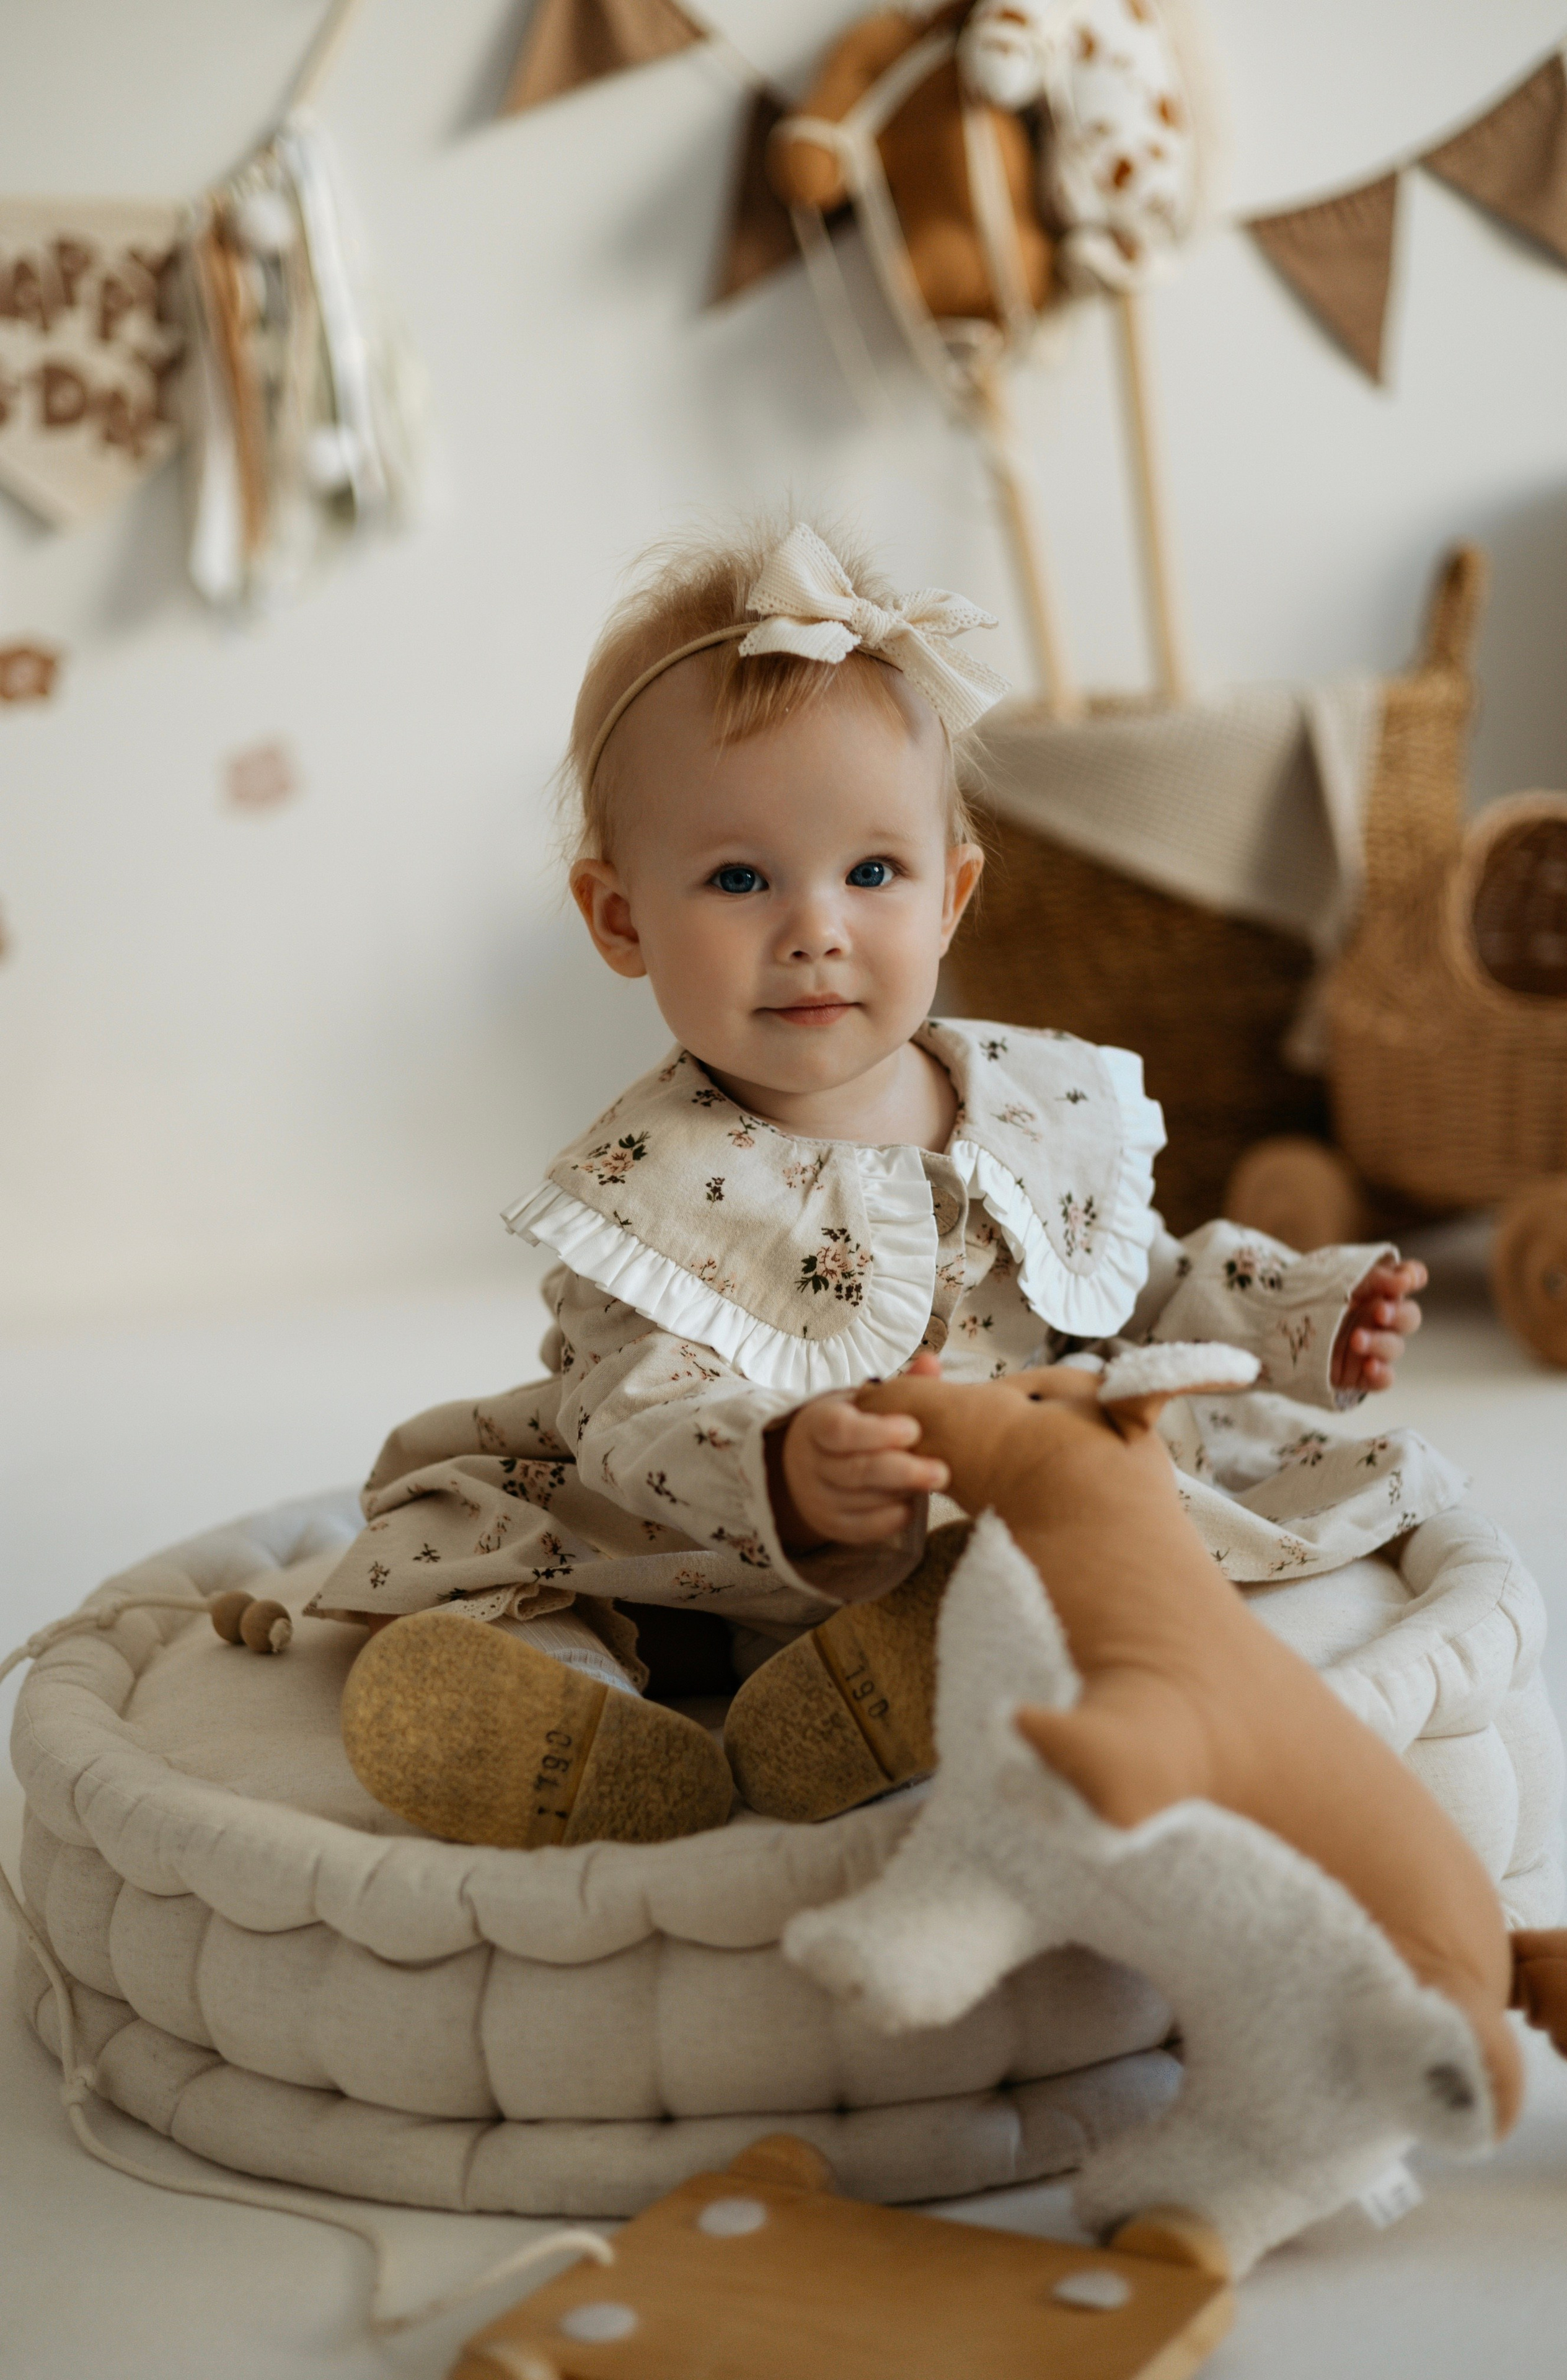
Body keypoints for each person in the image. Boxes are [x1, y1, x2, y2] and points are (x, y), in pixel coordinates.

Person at [317, 519, 1442, 1850]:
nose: (815, 929)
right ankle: (581, 1713)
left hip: (979, 1515)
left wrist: (1303, 1314)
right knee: (489, 1544)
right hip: (712, 1548)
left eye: (871, 873)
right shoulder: (647, 1184)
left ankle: (872, 1686)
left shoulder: (1030, 1101)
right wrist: (785, 1470)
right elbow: (627, 1412)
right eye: (739, 879)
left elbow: (1135, 1283)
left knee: (1118, 1528)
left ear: (951, 894)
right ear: (622, 919)